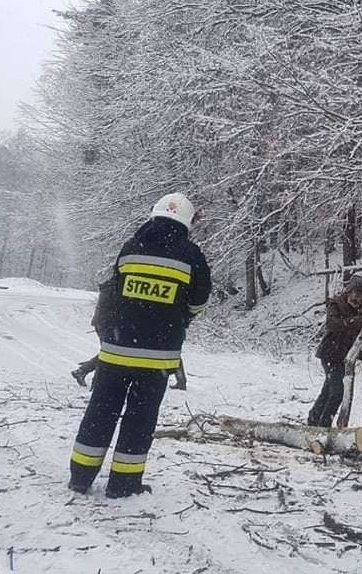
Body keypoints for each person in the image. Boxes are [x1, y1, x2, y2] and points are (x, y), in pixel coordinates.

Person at [68, 193, 211, 498]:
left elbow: (117, 290)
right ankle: (123, 484)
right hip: (157, 358)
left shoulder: (131, 247)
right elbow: (199, 302)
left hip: (116, 350)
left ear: (153, 214)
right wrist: (177, 316)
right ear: (187, 221)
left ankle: (80, 477)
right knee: (139, 419)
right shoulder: (191, 255)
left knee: (100, 411)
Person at [308, 275, 362, 427]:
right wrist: (355, 321)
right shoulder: (336, 304)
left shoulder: (361, 308)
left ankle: (313, 420)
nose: (357, 297)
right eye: (355, 293)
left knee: (328, 390)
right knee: (337, 392)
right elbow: (333, 324)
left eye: (360, 295)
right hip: (330, 353)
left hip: (344, 357)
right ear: (348, 292)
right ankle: (323, 426)